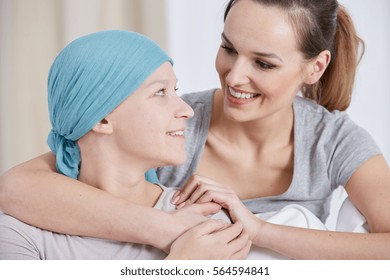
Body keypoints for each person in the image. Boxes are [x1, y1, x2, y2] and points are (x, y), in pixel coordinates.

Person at [1, 0, 390, 259]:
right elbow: (22, 185)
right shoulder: (169, 130)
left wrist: (258, 230)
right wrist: (167, 232)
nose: (234, 76)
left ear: (315, 67)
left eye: (264, 64)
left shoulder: (334, 141)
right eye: (229, 48)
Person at [0, 30, 251, 259]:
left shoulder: (206, 223)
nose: (186, 110)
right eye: (160, 92)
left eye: (175, 90)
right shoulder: (19, 230)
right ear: (102, 118)